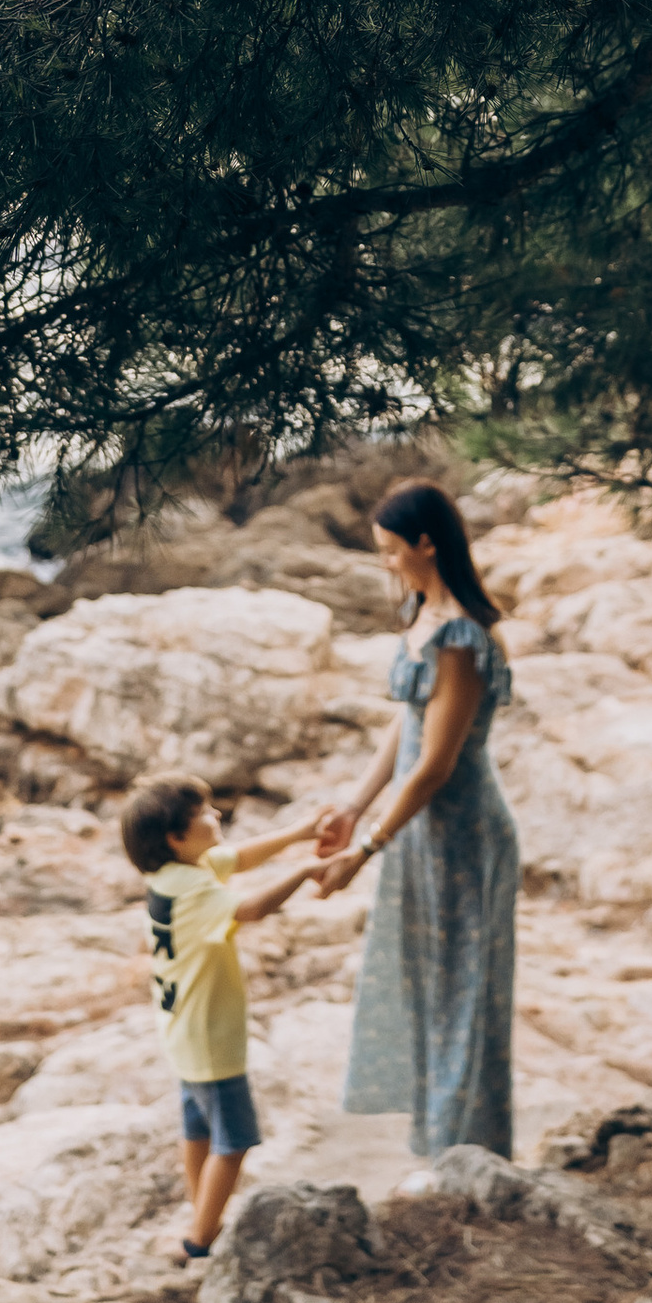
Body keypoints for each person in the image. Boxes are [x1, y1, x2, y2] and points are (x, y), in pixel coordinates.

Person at [315, 479, 519, 1159]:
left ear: (427, 544)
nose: (386, 562)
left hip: (461, 834)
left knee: (463, 994)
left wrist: (366, 849)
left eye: (391, 549)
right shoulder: (424, 616)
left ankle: (467, 1156)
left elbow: (434, 765)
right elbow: (406, 727)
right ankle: (438, 1148)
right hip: (417, 830)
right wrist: (353, 806)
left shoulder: (459, 635)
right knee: (428, 988)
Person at [120, 773, 319, 1259]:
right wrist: (308, 870)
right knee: (233, 1142)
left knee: (198, 1130)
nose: (216, 816)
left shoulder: (171, 876)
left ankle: (200, 1214)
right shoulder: (194, 888)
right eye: (204, 813)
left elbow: (240, 857)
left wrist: (300, 833)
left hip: (182, 1029)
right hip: (211, 1037)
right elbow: (251, 909)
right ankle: (200, 1239)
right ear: (177, 837)